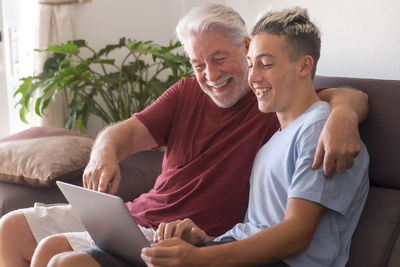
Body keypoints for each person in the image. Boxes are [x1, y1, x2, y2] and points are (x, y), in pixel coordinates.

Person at [0, 3, 368, 267]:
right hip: (150, 219)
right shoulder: (200, 95)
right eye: (198, 64)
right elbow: (123, 134)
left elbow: (337, 101)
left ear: (245, 46)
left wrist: (345, 114)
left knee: (58, 255)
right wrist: (104, 152)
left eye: (220, 58)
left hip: (194, 239)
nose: (209, 74)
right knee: (12, 227)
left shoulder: (278, 107)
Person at [140, 6, 369, 267]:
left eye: (266, 64)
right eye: (251, 64)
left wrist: (200, 257)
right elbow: (258, 229)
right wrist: (204, 241)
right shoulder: (275, 140)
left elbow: (297, 235)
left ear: (304, 66)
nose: (254, 77)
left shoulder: (319, 128)